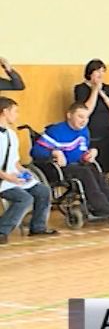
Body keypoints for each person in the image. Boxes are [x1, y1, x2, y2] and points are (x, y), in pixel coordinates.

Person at [30, 102, 109, 219]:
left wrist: (91, 153)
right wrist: (54, 152)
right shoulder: (55, 131)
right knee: (85, 172)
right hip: (59, 168)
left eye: (86, 117)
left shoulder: (84, 131)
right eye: (80, 117)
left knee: (95, 171)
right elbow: (35, 151)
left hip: (78, 164)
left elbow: (82, 151)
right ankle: (100, 206)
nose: (84, 121)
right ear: (69, 115)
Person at [0, 98, 57, 244]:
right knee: (24, 198)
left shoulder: (11, 134)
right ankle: (2, 230)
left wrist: (24, 172)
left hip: (12, 177)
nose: (17, 115)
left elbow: (14, 161)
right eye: (15, 111)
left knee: (42, 191)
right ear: (5, 112)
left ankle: (38, 227)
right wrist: (8, 177)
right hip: (3, 179)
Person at [73, 59, 109, 172]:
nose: (101, 74)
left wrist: (103, 95)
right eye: (97, 71)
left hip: (107, 132)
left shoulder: (108, 89)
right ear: (90, 73)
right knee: (92, 166)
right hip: (91, 133)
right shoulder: (80, 89)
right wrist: (95, 90)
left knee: (108, 167)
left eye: (103, 71)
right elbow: (86, 110)